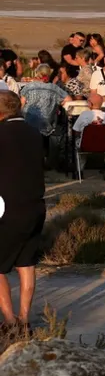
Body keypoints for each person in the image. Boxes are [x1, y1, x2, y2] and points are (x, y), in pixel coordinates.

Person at [0, 89, 45, 329]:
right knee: (26, 263)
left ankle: (9, 321)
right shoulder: (35, 133)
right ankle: (25, 318)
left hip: (6, 205)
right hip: (35, 203)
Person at [18, 64, 67, 152]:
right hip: (47, 123)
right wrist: (57, 105)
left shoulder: (29, 87)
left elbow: (21, 104)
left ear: (37, 73)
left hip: (29, 122)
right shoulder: (54, 88)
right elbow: (68, 99)